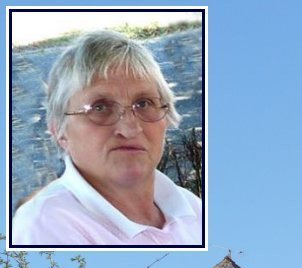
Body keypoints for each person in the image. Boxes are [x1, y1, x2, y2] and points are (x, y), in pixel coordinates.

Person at [11, 30, 202, 247]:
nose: (130, 129)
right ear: (59, 131)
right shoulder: (46, 226)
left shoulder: (193, 209)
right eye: (100, 107)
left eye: (144, 103)